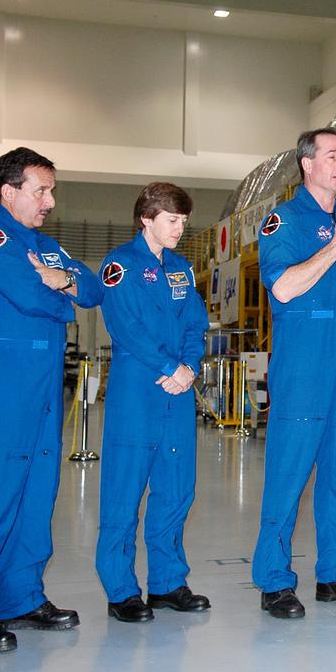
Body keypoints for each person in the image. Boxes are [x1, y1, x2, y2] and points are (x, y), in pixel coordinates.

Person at [0, 148, 103, 654]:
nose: (50, 200)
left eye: (51, 190)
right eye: (41, 190)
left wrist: (59, 278)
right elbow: (31, 297)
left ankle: (22, 595)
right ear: (9, 192)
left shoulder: (45, 246)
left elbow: (91, 290)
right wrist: (55, 285)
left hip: (44, 385)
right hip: (3, 382)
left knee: (38, 493)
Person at [252, 128, 336, 619]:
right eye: (332, 155)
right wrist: (334, 247)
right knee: (288, 473)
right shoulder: (284, 219)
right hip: (304, 361)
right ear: (306, 164)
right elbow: (283, 288)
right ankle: (274, 581)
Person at [95, 183, 210, 623]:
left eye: (184, 221)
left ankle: (167, 583)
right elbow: (124, 326)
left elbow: (195, 323)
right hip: (138, 392)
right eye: (172, 220)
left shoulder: (182, 269)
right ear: (146, 218)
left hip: (178, 392)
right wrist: (168, 366)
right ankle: (121, 589)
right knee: (123, 493)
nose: (180, 228)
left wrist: (190, 367)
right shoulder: (119, 265)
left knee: (176, 489)